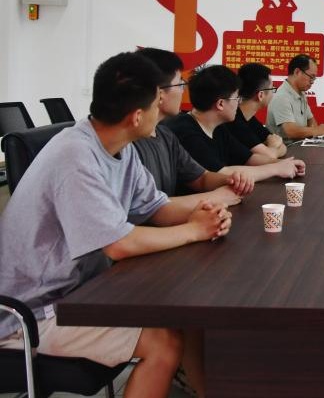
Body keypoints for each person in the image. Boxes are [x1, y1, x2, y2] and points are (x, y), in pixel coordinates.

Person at [0, 52, 232, 398]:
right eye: (156, 102)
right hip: (29, 315)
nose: (162, 108)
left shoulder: (120, 148)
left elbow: (156, 207)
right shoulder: (75, 156)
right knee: (163, 344)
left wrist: (207, 212)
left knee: (189, 312)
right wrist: (194, 230)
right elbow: (118, 244)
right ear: (137, 116)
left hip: (80, 292)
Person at [133, 47, 253, 201]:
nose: (183, 91)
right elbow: (151, 207)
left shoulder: (166, 136)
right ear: (160, 94)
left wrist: (231, 180)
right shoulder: (129, 145)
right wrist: (216, 197)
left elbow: (201, 178)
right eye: (179, 84)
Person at [166, 65, 305, 180]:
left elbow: (249, 158)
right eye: (236, 98)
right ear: (220, 104)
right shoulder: (186, 132)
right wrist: (275, 169)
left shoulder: (218, 127)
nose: (239, 103)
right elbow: (221, 173)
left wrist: (285, 164)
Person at [266, 54, 324, 139]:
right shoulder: (281, 97)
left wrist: (319, 132)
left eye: (314, 78)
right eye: (311, 77)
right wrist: (323, 129)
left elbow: (311, 122)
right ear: (297, 72)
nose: (312, 82)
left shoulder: (301, 94)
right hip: (286, 146)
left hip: (301, 144)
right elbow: (291, 132)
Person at [229, 63, 287, 158]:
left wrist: (272, 149)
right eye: (272, 89)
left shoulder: (250, 118)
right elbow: (268, 156)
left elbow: (282, 146)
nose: (273, 93)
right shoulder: (234, 121)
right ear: (261, 95)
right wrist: (273, 147)